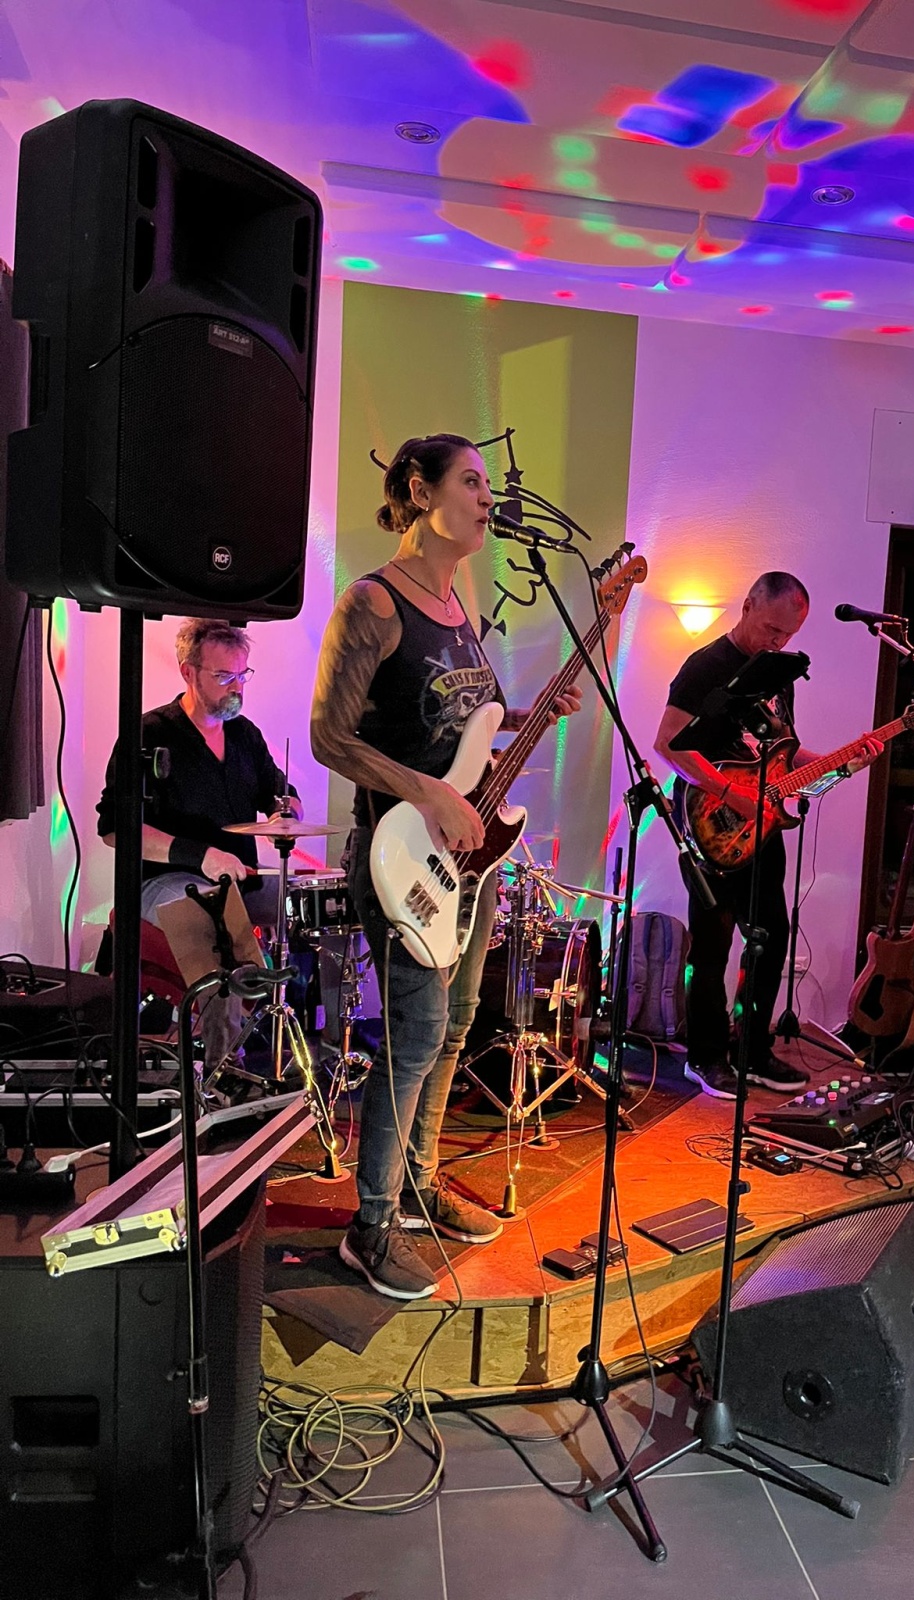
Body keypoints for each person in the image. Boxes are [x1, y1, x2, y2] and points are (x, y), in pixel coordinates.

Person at [311, 433, 581, 1301]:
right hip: (400, 852)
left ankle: (419, 1186)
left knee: (457, 1023)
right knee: (417, 1031)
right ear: (422, 492)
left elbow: (458, 725)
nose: (487, 497)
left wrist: (529, 716)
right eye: (471, 481)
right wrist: (426, 791)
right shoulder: (374, 602)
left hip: (469, 855)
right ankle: (370, 1227)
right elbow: (329, 737)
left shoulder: (459, 605)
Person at [653, 572, 881, 1099]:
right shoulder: (706, 667)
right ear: (748, 605)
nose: (777, 642)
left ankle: (752, 1051)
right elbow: (667, 744)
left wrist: (843, 761)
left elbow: (784, 753)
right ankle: (705, 1057)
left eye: (788, 634)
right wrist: (729, 793)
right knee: (712, 944)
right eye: (771, 629)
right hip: (710, 822)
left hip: (763, 823)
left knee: (770, 938)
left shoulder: (777, 673)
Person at [97, 617, 300, 1070]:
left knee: (323, 902)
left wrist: (286, 812)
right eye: (224, 676)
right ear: (188, 672)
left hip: (239, 879)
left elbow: (281, 795)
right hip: (163, 884)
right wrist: (200, 855)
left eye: (243, 675)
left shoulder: (245, 735)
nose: (237, 687)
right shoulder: (149, 735)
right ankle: (225, 1069)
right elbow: (116, 829)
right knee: (216, 916)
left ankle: (325, 1042)